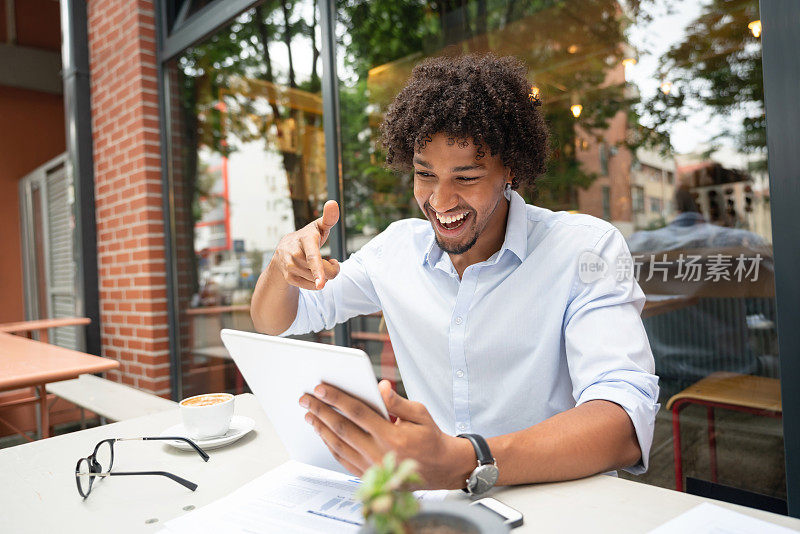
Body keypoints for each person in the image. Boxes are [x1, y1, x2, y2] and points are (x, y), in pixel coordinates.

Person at [251, 54, 658, 491]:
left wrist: (467, 460)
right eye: (425, 174)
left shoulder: (587, 248)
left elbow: (624, 421)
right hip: (437, 502)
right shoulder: (393, 250)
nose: (440, 201)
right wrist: (283, 263)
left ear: (511, 171)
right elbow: (275, 320)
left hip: (560, 501)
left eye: (465, 177)